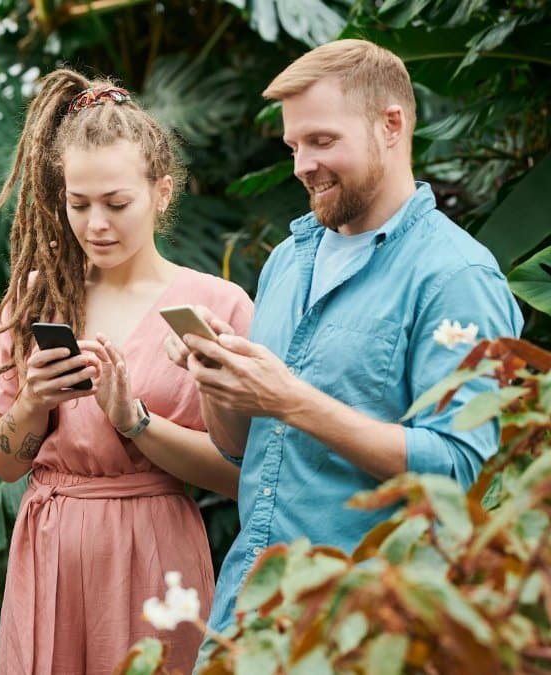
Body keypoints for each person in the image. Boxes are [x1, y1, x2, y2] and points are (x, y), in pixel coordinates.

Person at [162, 39, 525, 642]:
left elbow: (466, 473)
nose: (303, 164)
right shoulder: (286, 261)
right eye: (294, 146)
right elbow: (244, 454)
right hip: (249, 615)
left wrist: (290, 399)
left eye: (322, 141)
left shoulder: (457, 277)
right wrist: (220, 381)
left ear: (391, 125)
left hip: (370, 628)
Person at [0, 68, 254, 674]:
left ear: (162, 193)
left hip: (154, 550)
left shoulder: (216, 306)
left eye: (116, 204)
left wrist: (135, 422)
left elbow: (238, 475)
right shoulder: (39, 296)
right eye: (78, 203)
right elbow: (6, 463)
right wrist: (32, 402)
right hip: (50, 549)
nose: (95, 225)